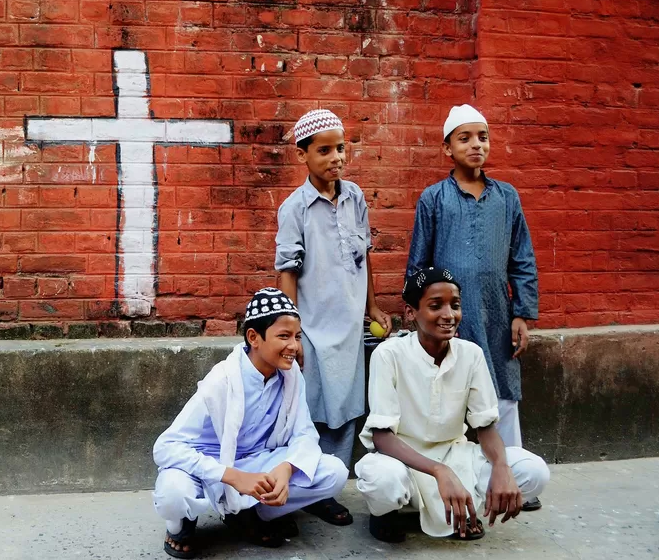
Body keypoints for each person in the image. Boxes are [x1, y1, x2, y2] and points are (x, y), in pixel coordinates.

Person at [406, 104, 542, 510]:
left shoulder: (507, 197)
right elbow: (418, 264)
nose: (476, 145)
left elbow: (522, 258)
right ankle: (452, 477)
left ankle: (515, 478)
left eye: (482, 136)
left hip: (497, 313)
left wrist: (521, 313)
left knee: (502, 389)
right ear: (447, 147)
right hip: (448, 318)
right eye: (464, 138)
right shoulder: (434, 200)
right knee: (448, 390)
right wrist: (421, 316)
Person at [354, 267, 550, 543]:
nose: (449, 315)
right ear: (411, 313)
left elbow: (485, 426)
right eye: (435, 306)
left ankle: (462, 510)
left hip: (456, 456)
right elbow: (382, 436)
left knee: (534, 472)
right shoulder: (389, 354)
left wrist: (502, 467)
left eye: (455, 305)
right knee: (382, 480)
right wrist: (439, 471)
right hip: (403, 461)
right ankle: (387, 513)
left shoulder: (471, 354)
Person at [152, 288, 348, 558]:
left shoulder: (291, 378)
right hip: (207, 469)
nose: (294, 346)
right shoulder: (222, 380)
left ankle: (252, 514)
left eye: (297, 337)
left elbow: (304, 434)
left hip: (257, 464)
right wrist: (233, 476)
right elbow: (165, 447)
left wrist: (287, 468)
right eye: (284, 336)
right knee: (173, 493)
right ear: (254, 338)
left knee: (334, 472)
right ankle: (180, 526)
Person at [275, 108, 392, 525]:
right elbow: (287, 272)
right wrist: (291, 329)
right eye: (323, 150)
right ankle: (305, 486)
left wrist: (372, 307)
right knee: (310, 410)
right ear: (303, 155)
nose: (335, 157)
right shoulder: (295, 209)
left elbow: (365, 258)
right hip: (311, 327)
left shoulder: (355, 197)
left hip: (351, 328)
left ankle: (330, 487)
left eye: (340, 148)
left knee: (347, 408)